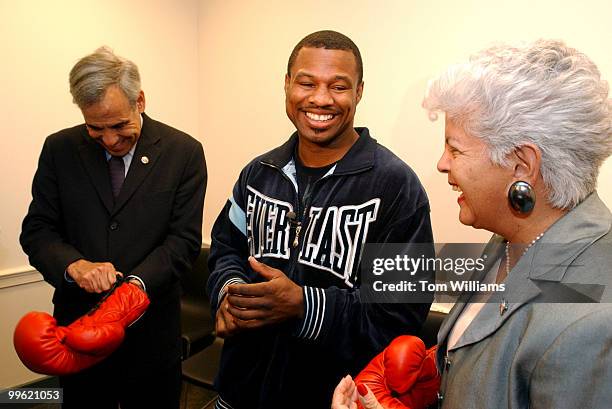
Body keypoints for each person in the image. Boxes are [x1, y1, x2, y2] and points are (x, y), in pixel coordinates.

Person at [333, 39, 612, 408]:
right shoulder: (515, 238)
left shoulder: (591, 324)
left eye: (456, 148)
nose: (442, 163)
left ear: (522, 164)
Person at [207, 30, 434, 409]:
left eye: (338, 86)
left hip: (333, 400)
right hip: (239, 390)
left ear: (359, 91)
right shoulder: (259, 173)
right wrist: (228, 293)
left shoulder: (397, 187)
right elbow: (226, 246)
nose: (320, 99)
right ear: (287, 85)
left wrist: (304, 305)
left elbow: (400, 313)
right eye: (307, 83)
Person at [20, 46, 207, 409]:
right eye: (95, 128)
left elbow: (182, 241)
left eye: (120, 126)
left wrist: (129, 293)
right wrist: (75, 266)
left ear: (140, 100)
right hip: (77, 331)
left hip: (151, 335)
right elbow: (37, 230)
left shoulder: (183, 151)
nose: (109, 140)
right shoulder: (59, 149)